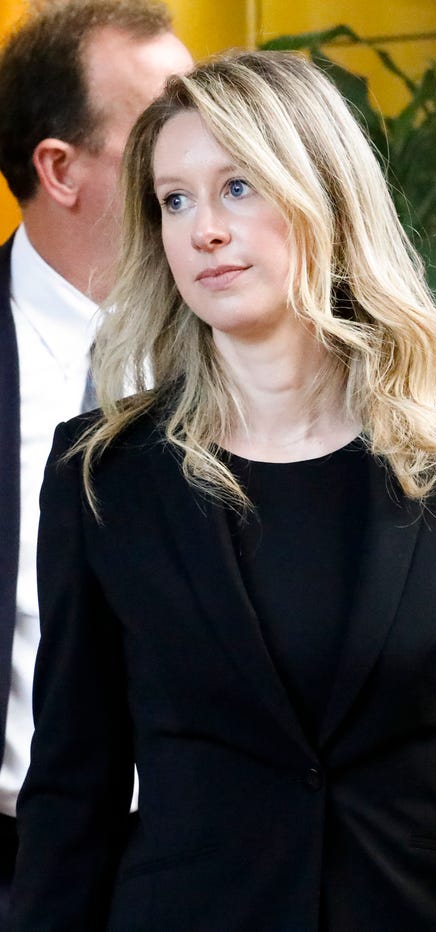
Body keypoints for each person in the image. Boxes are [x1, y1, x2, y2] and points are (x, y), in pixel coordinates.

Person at [9, 50, 436, 930]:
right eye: (174, 200)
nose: (203, 230)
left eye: (238, 187)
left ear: (326, 199)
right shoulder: (102, 473)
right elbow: (74, 786)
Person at [0, 0, 192, 917]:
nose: (202, 150)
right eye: (164, 125)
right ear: (59, 169)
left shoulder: (248, 344)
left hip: (207, 868)